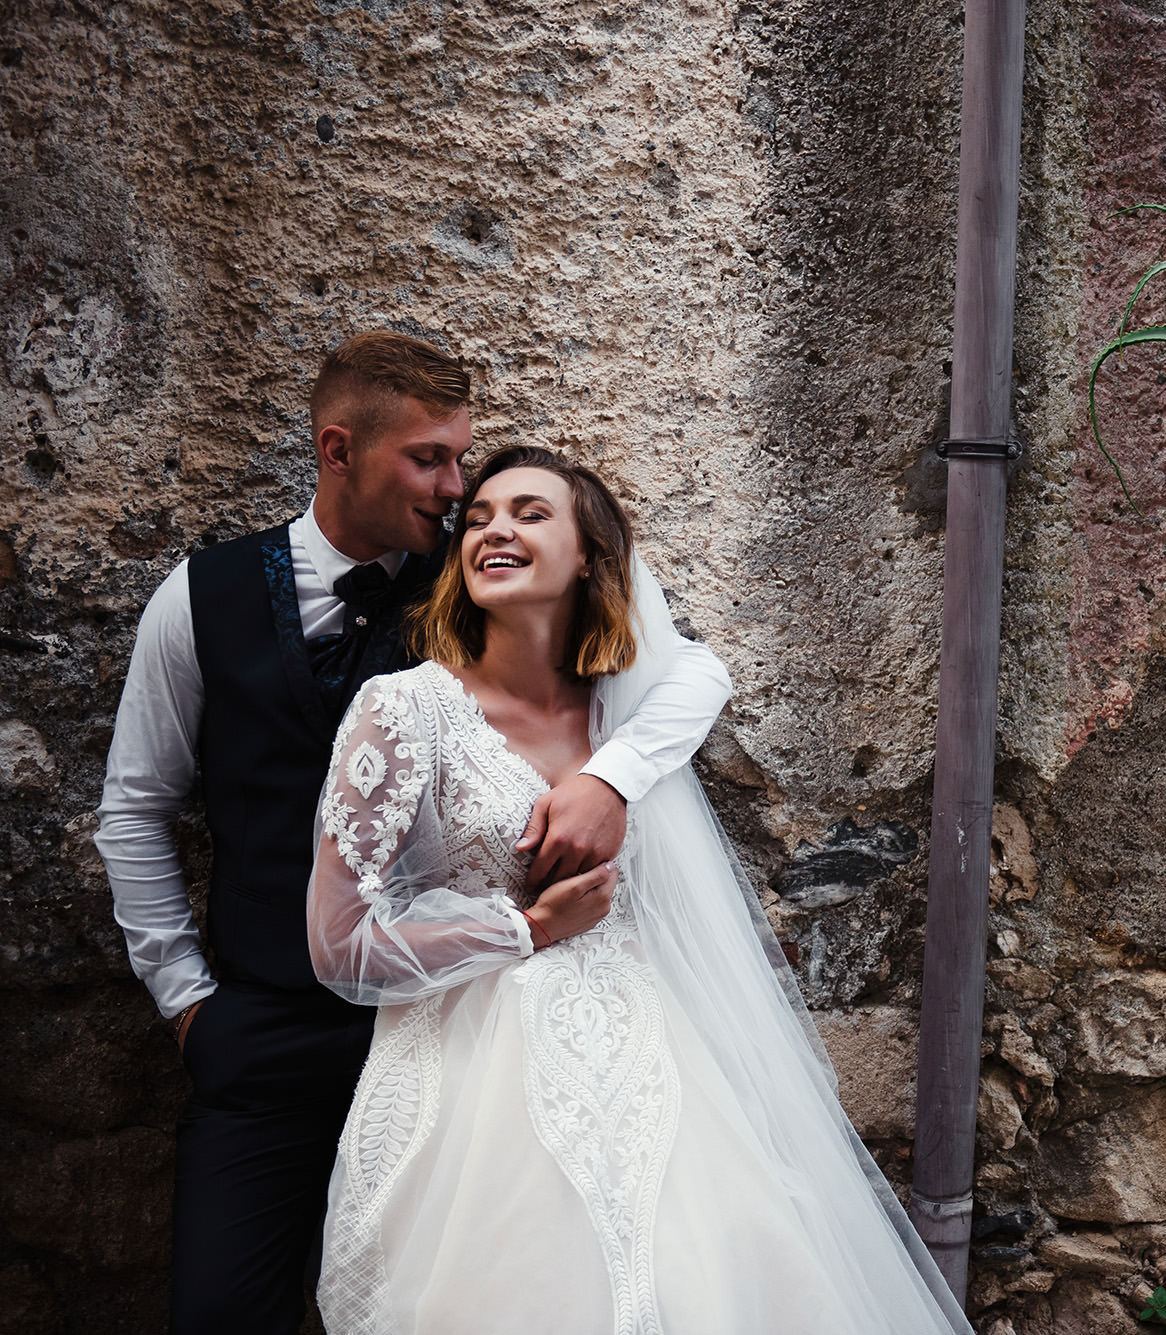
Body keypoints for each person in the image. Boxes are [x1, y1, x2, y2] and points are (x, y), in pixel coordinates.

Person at [94, 333, 731, 1334]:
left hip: (469, 1028)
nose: (456, 487)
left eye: (462, 461)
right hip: (272, 1028)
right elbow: (134, 809)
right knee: (221, 1311)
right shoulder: (199, 599)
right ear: (338, 449)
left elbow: (688, 667)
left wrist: (613, 775)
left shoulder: (490, 572)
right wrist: (188, 1005)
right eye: (429, 460)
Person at [304, 446, 971, 1334]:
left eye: (532, 513)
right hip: (473, 1073)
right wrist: (522, 930)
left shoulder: (624, 710)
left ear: (590, 556)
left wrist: (609, 778)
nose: (495, 527)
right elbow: (338, 941)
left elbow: (705, 672)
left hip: (652, 1055)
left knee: (708, 1279)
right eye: (482, 516)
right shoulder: (404, 710)